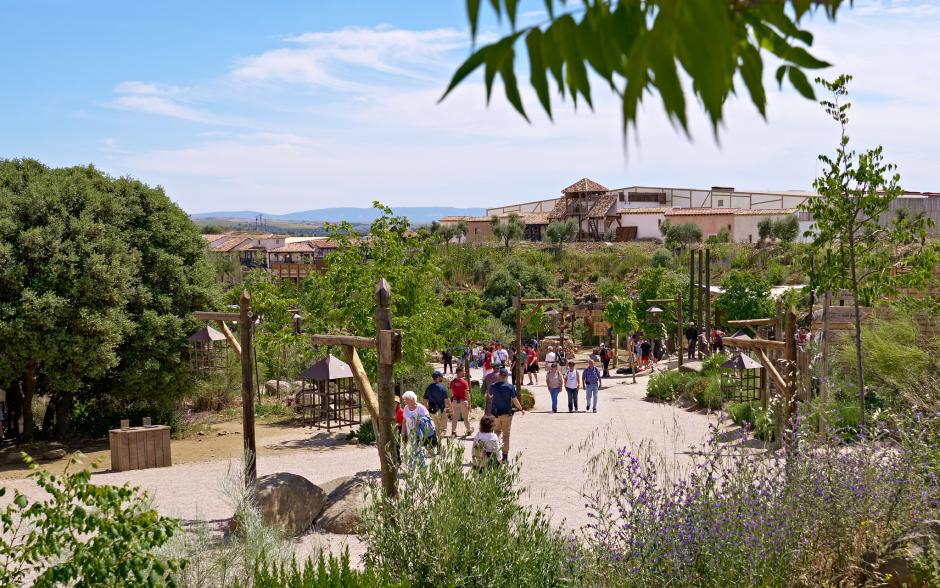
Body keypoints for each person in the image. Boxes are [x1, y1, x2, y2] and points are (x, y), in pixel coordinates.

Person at [489, 367, 525, 462]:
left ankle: (496, 453)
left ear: (499, 375)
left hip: (495, 414)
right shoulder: (510, 387)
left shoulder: (493, 386)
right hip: (506, 414)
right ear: (506, 376)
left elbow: (490, 395)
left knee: (496, 433)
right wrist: (521, 409)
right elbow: (514, 400)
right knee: (506, 435)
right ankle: (504, 456)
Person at [423, 371, 451, 438]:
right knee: (444, 429)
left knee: (437, 427)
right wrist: (451, 409)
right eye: (441, 376)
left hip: (432, 411)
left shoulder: (429, 387)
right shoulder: (442, 387)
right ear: (438, 377)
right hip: (440, 410)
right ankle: (440, 438)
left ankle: (438, 441)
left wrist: (426, 410)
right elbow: (447, 400)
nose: (442, 378)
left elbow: (425, 400)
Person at [449, 366, 473, 437]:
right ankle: (468, 430)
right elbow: (467, 394)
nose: (464, 372)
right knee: (465, 418)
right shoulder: (464, 382)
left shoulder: (452, 382)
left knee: (455, 417)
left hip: (455, 401)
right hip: (463, 401)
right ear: (459, 372)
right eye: (463, 371)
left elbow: (451, 392)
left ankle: (453, 431)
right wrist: (470, 404)